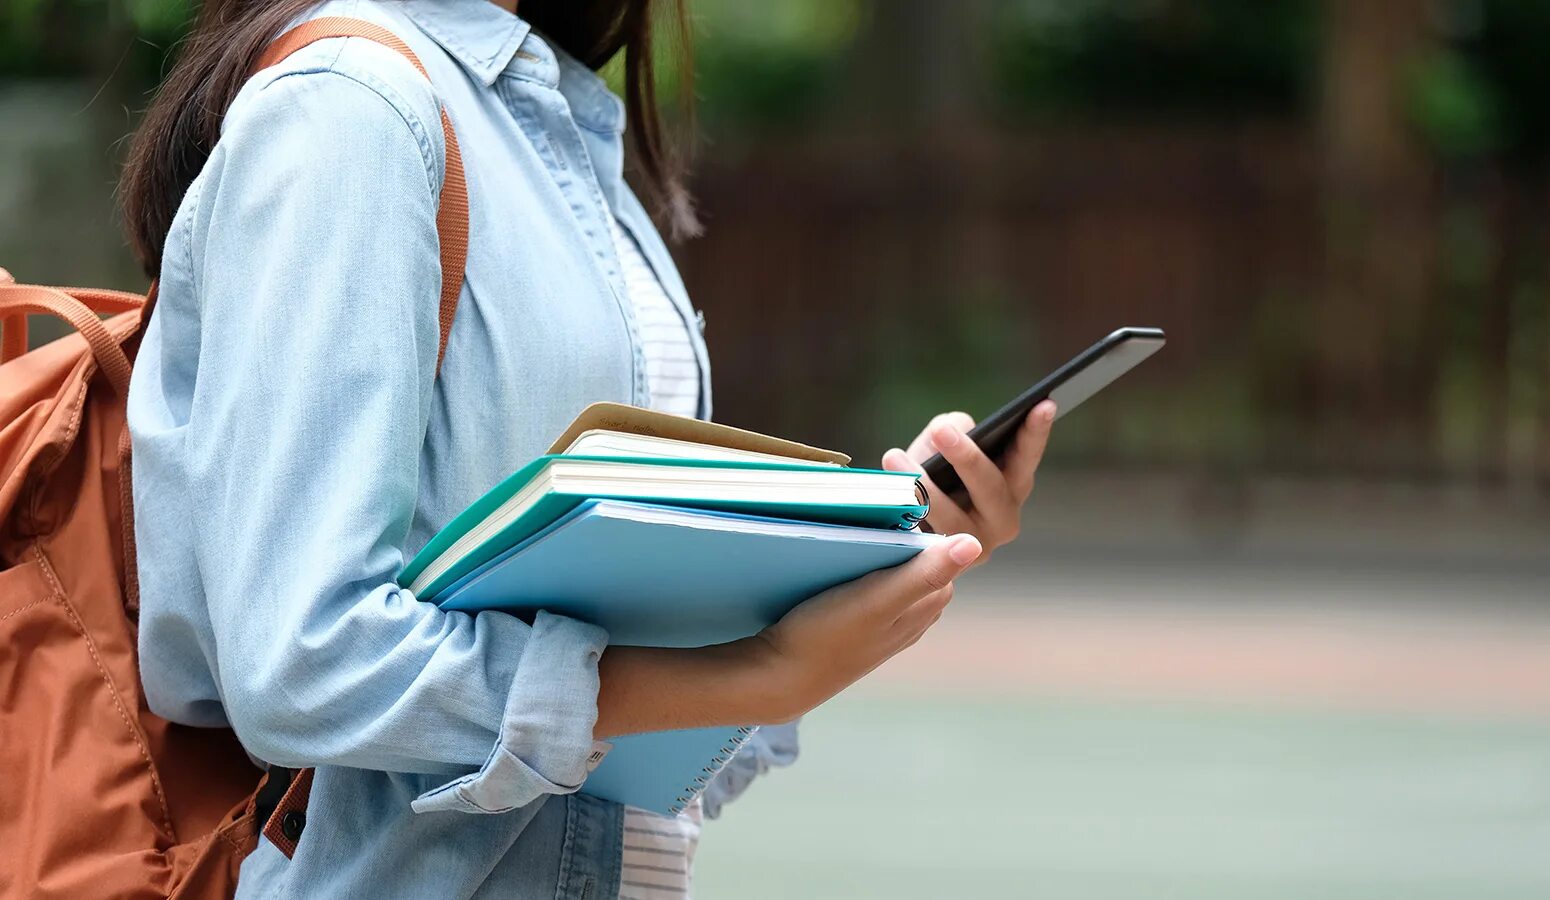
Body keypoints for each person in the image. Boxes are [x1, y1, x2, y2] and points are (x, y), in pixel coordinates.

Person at [119, 1, 1056, 898]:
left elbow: (621, 768)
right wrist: (756, 674)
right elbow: (303, 660)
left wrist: (885, 552)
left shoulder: (540, 117)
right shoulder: (352, 106)